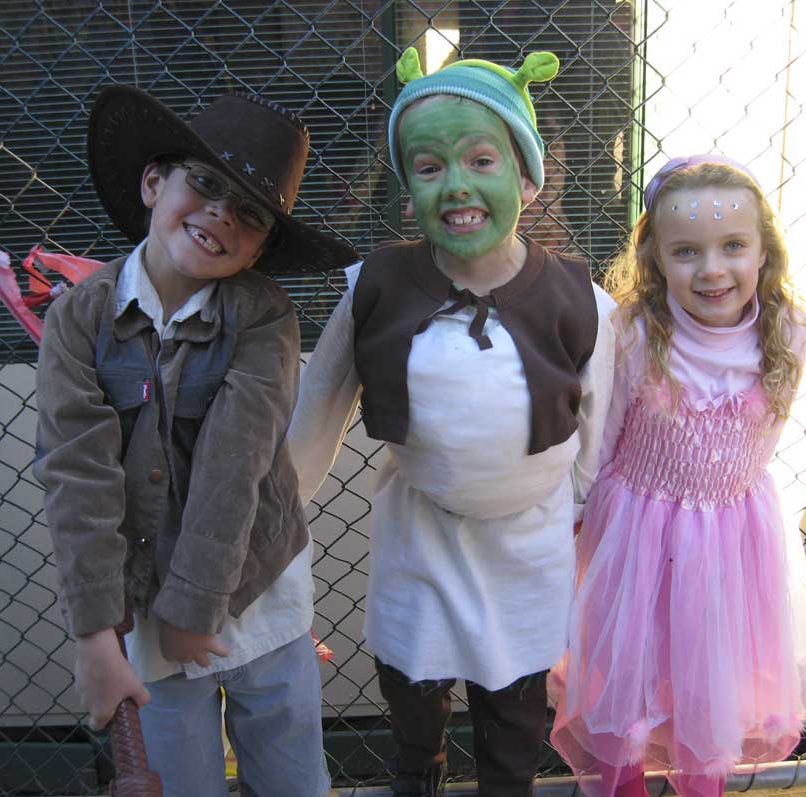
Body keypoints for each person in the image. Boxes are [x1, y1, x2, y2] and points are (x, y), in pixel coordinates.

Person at [288, 47, 616, 796]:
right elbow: (317, 409)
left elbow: (600, 420)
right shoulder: (374, 288)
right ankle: (421, 773)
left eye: (481, 160)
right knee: (412, 681)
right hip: (422, 534)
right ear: (408, 193)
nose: (458, 185)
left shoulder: (580, 300)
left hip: (528, 541)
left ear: (526, 179)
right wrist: (275, 517)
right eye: (430, 167)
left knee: (515, 705)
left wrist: (578, 508)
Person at [34, 85, 356, 797]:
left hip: (259, 594)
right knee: (181, 778)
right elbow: (78, 475)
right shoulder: (79, 320)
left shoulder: (263, 315)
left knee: (292, 778)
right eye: (205, 185)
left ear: (261, 246)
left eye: (251, 213)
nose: (220, 215)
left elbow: (235, 460)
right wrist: (96, 636)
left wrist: (195, 605)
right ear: (154, 182)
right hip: (147, 612)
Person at [549, 155, 806, 797]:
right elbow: (601, 439)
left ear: (764, 249)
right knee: (625, 680)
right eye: (686, 251)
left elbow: (765, 438)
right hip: (635, 534)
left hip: (730, 540)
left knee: (709, 683)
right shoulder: (633, 333)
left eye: (733, 246)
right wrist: (576, 528)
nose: (712, 269)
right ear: (654, 258)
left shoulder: (788, 330)